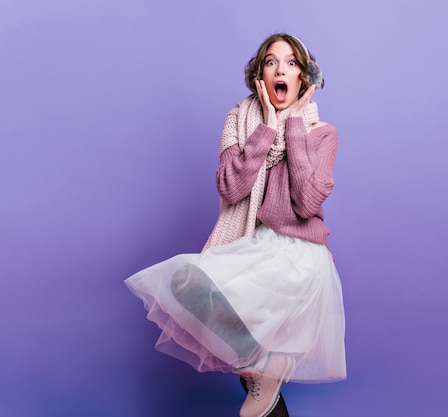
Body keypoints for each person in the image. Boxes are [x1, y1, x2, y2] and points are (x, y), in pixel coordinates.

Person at [125, 33, 346, 417]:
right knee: (187, 284)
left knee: (255, 389)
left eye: (292, 63)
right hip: (254, 244)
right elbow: (232, 187)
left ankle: (262, 369)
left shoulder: (322, 133)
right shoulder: (239, 121)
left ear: (304, 79)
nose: (281, 69)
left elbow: (307, 202)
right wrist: (267, 129)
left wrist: (292, 127)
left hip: (299, 258)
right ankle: (261, 368)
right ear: (260, 75)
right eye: (272, 61)